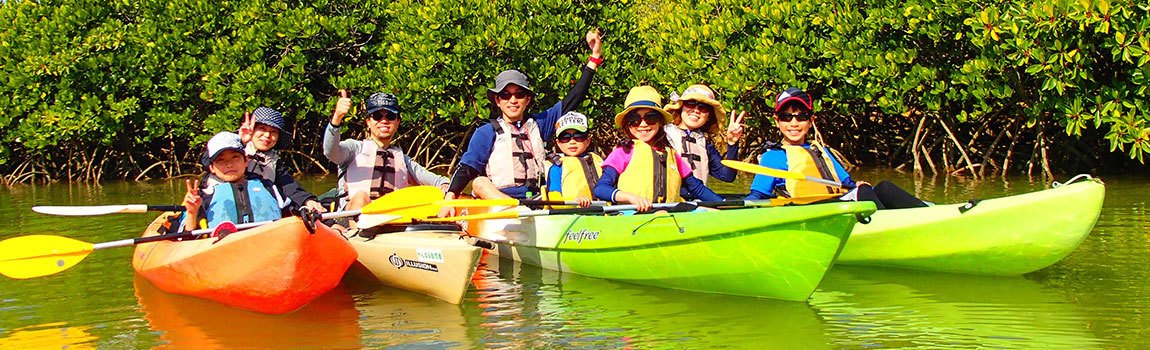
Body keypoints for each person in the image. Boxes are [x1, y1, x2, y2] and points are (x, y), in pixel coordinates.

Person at [443, 29, 603, 207]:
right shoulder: (487, 131)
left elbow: (574, 98)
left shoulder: (539, 125)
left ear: (528, 99)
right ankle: (513, 207)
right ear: (497, 100)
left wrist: (594, 57)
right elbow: (467, 168)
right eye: (505, 95)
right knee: (479, 182)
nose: (512, 100)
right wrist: (449, 199)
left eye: (519, 94)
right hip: (500, 203)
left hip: (535, 199)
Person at [746, 87, 927, 209]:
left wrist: (856, 185)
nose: (794, 123)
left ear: (811, 121)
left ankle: (928, 215)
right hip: (811, 213)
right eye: (786, 117)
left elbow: (847, 184)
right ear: (777, 122)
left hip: (837, 204)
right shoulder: (772, 157)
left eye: (801, 117)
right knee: (864, 193)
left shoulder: (820, 151)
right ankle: (890, 227)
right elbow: (757, 196)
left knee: (884, 187)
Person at [593, 86, 723, 212]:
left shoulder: (671, 154)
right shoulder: (622, 152)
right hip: (631, 213)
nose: (643, 124)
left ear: (660, 122)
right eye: (634, 120)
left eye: (651, 118)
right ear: (627, 124)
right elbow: (601, 189)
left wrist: (723, 205)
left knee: (713, 213)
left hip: (669, 213)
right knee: (661, 213)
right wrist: (630, 198)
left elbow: (697, 189)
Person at [325, 91, 449, 213]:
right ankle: (359, 231)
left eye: (390, 116)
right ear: (368, 122)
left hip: (389, 221)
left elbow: (438, 181)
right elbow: (330, 152)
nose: (384, 121)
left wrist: (445, 188)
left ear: (397, 122)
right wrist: (337, 117)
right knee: (361, 197)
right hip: (350, 220)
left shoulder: (403, 160)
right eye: (377, 116)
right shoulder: (353, 149)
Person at [180, 132, 293, 232]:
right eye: (221, 160)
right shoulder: (202, 196)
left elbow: (293, 213)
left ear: (245, 161)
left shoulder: (269, 187)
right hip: (223, 250)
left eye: (235, 157)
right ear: (212, 168)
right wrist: (191, 213)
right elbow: (186, 238)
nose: (229, 164)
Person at [237, 107, 324, 213]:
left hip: (264, 210)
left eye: (273, 132)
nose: (267, 135)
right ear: (252, 130)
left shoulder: (274, 160)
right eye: (262, 129)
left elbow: (288, 185)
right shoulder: (233, 150)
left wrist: (307, 200)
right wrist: (241, 142)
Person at [663, 84, 745, 186]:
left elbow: (727, 176)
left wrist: (732, 143)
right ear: (681, 107)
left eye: (703, 107)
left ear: (709, 115)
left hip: (698, 199)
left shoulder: (705, 144)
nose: (696, 110)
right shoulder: (663, 136)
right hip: (670, 200)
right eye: (691, 103)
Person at [544, 111, 600, 207]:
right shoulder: (557, 168)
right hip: (571, 214)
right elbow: (554, 199)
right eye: (565, 137)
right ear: (558, 143)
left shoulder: (599, 162)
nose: (572, 141)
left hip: (603, 212)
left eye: (579, 136)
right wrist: (573, 202)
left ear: (588, 141)